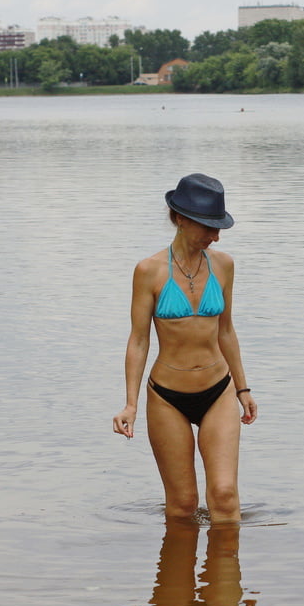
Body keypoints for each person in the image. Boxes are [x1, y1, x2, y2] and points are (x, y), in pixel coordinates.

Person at [113, 173, 257, 524]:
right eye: (208, 226)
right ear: (179, 218)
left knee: (224, 496)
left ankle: (224, 578)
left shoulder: (223, 265)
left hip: (218, 390)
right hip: (167, 397)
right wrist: (131, 403)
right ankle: (177, 578)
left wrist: (243, 388)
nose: (215, 235)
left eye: (218, 226)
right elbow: (139, 339)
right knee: (182, 504)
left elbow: (226, 331)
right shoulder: (148, 271)